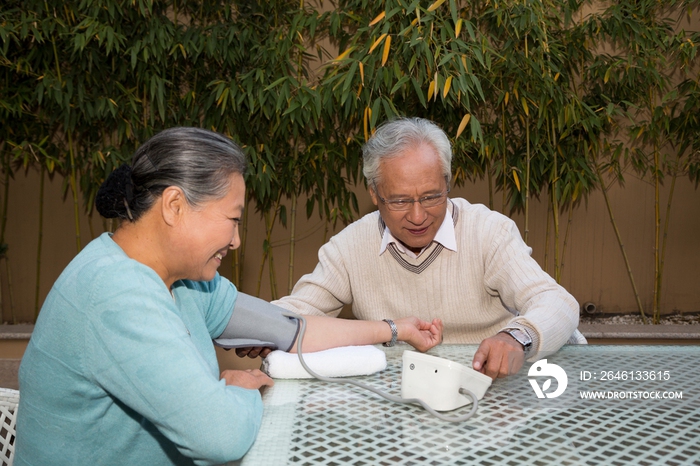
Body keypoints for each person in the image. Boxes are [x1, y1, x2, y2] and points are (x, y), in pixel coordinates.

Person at [15, 127, 442, 466]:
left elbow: (288, 330)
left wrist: (392, 329)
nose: (237, 241)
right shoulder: (116, 294)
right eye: (232, 220)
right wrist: (239, 389)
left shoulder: (185, 281)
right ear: (175, 206)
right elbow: (220, 437)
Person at [273, 117, 584, 380]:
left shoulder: (489, 232)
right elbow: (292, 317)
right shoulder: (349, 247)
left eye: (432, 197)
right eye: (400, 201)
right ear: (374, 192)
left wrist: (516, 337)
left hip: (504, 386)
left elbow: (556, 302)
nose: (418, 216)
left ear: (447, 181)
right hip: (411, 393)